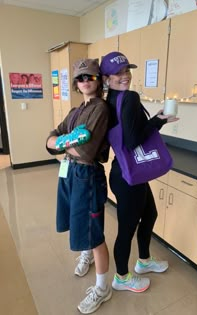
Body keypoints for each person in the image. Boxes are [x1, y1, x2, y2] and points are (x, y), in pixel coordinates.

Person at [100, 51, 179, 293]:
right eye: (118, 73)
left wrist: (153, 120)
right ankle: (121, 277)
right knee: (126, 228)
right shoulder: (130, 98)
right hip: (129, 176)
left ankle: (144, 261)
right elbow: (133, 140)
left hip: (124, 172)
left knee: (150, 214)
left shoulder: (108, 102)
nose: (125, 76)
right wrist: (158, 122)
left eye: (127, 70)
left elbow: (126, 134)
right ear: (106, 78)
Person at [46, 58, 112, 314]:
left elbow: (85, 151)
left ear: (98, 80)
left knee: (93, 232)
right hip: (69, 170)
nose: (85, 81)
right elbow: (50, 137)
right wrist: (65, 141)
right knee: (77, 220)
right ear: (76, 83)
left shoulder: (101, 109)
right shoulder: (76, 111)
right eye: (81, 78)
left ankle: (103, 288)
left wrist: (60, 141)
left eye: (91, 77)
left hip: (87, 174)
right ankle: (86, 255)